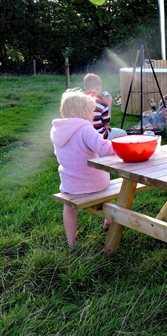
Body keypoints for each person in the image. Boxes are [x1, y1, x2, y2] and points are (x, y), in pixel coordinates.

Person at [50, 89, 115, 248]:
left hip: (70, 185)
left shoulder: (56, 129)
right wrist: (119, 145)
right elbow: (105, 149)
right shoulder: (85, 129)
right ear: (75, 111)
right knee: (105, 180)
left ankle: (71, 242)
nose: (92, 116)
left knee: (69, 207)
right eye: (89, 111)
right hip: (93, 184)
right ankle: (108, 219)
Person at [83, 73, 127, 140]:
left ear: (85, 87)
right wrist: (108, 103)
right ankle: (111, 149)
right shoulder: (101, 104)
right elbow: (106, 121)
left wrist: (104, 126)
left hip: (84, 135)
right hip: (99, 136)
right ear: (98, 88)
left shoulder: (79, 101)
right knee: (123, 133)